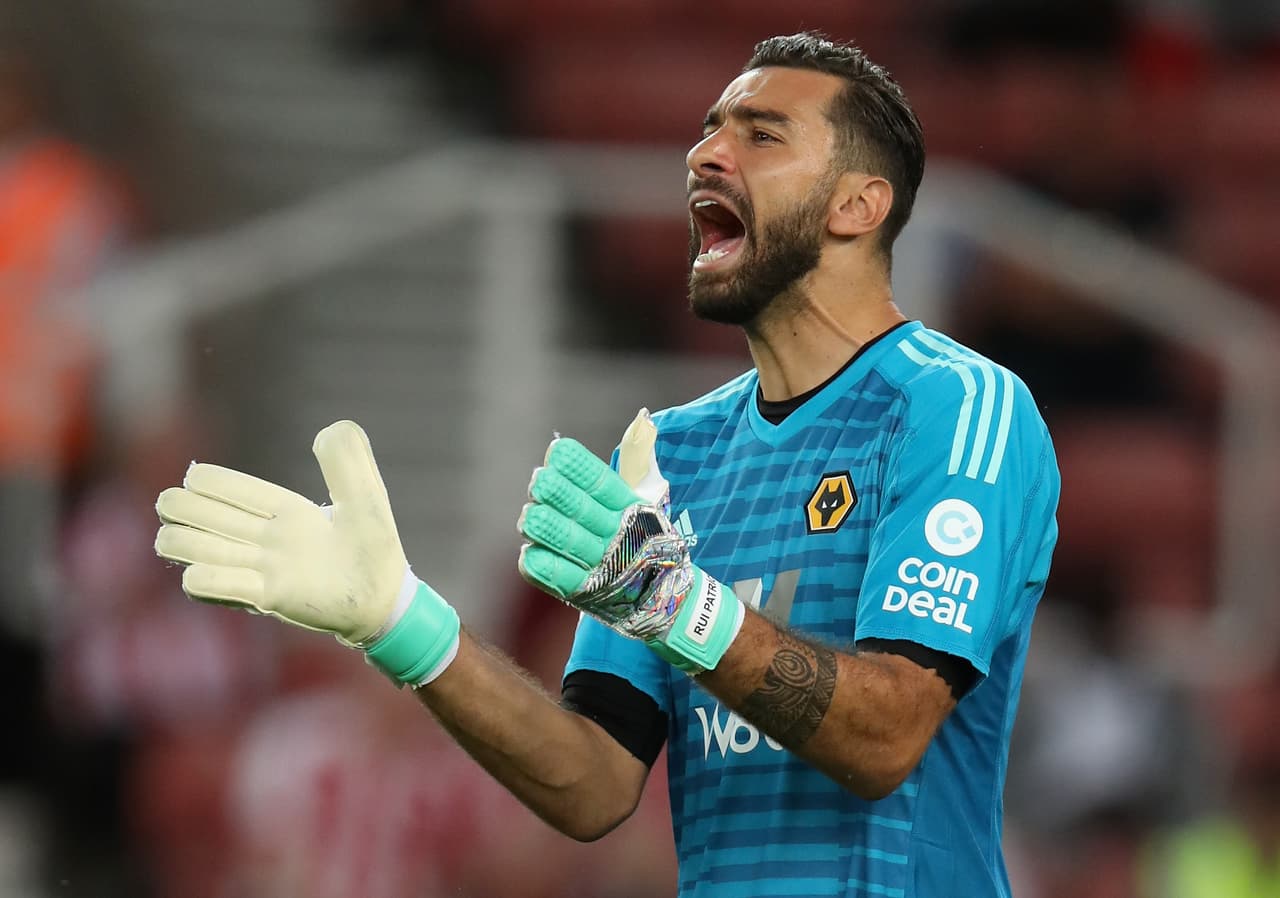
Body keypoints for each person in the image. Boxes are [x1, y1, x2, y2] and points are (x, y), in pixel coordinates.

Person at [154, 32, 1060, 897]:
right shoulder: (672, 453)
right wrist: (404, 623)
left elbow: (887, 736)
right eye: (710, 128)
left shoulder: (955, 408)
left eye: (761, 133)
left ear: (858, 205)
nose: (706, 153)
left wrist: (671, 601)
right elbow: (593, 783)